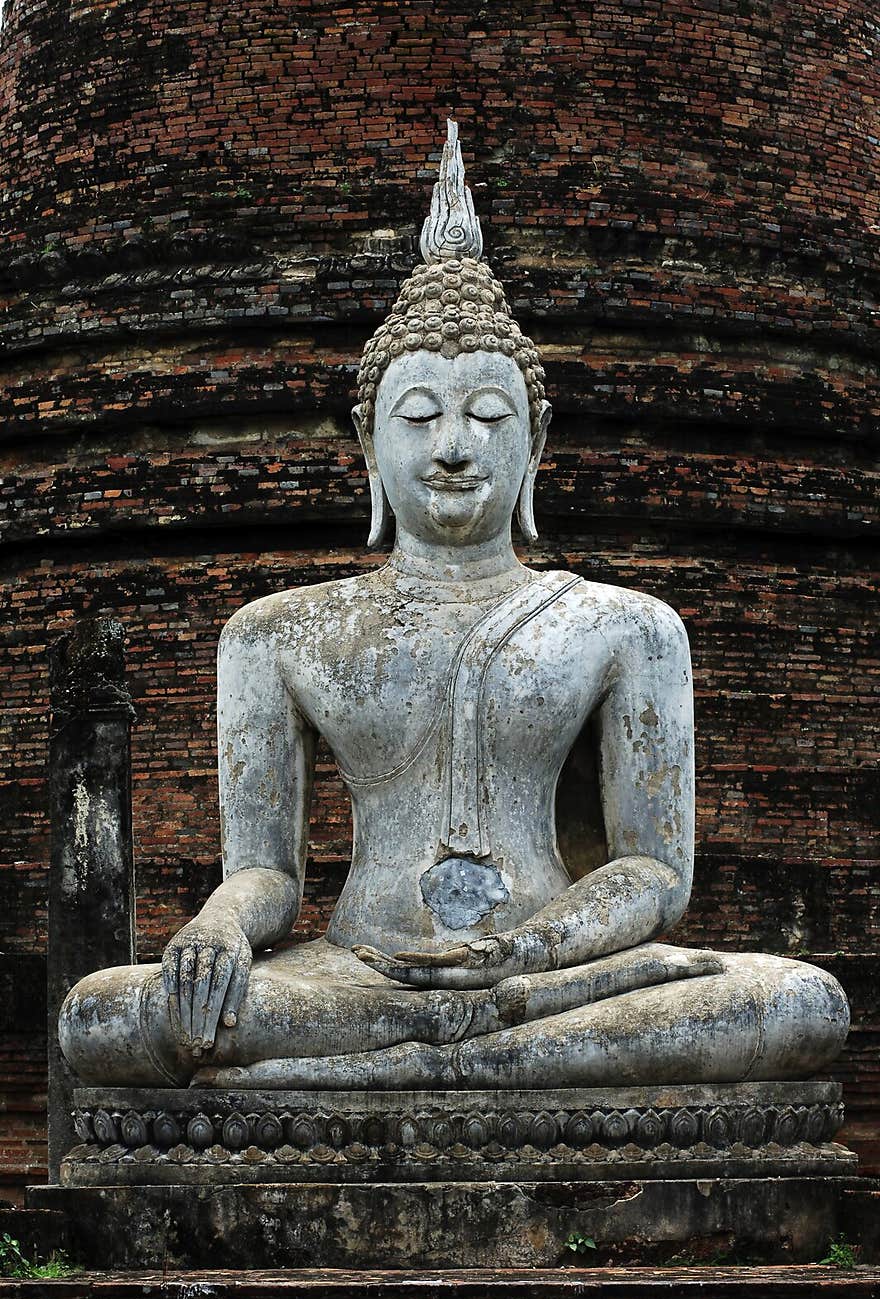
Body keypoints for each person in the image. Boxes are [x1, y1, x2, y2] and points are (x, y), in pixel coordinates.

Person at [59, 123, 848, 1090]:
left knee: (800, 1001)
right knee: (102, 1014)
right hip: (358, 972)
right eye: (421, 415)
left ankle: (397, 1069)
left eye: (486, 415)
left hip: (557, 973)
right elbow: (268, 875)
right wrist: (219, 925)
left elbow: (654, 875)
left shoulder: (627, 626)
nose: (454, 448)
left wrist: (524, 955)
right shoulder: (278, 634)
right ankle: (478, 1060)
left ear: (536, 442)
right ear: (368, 448)